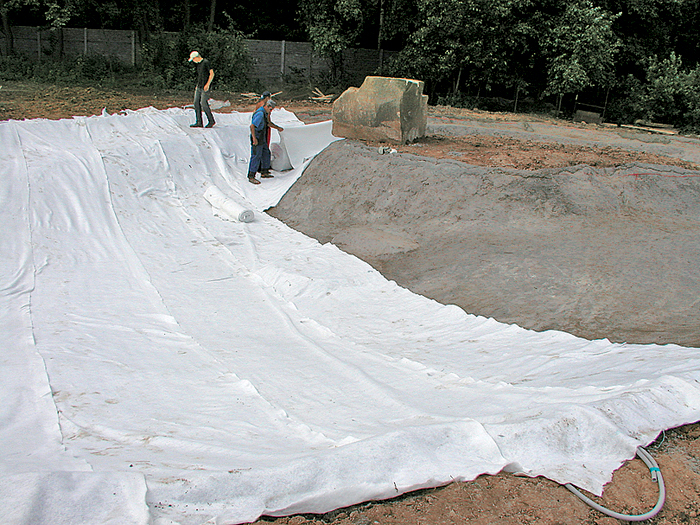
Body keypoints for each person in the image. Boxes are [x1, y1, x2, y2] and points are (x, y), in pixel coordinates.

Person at [247, 99, 284, 185]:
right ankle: (251, 175)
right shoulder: (260, 114)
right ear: (266, 106)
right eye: (270, 109)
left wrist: (278, 128)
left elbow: (268, 123)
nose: (271, 111)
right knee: (256, 156)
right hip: (257, 136)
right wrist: (254, 139)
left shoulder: (265, 113)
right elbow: (252, 126)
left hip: (262, 136)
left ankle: (264, 171)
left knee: (266, 152)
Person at [188, 51, 215, 128]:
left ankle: (211, 120)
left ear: (196, 57)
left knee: (204, 103)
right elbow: (200, 75)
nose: (193, 61)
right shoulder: (198, 64)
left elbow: (212, 73)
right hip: (199, 86)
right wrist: (197, 85)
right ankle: (199, 121)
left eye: (193, 59)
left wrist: (208, 84)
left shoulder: (206, 62)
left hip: (205, 86)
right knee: (196, 102)